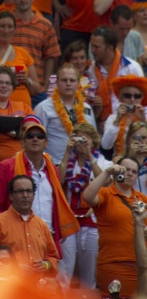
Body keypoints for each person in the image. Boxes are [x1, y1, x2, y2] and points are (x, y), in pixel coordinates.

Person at [0, 117, 80, 254]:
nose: (35, 139)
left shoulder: (52, 169)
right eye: (30, 136)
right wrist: (7, 230)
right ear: (22, 141)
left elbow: (56, 203)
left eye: (40, 136)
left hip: (48, 237)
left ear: (46, 143)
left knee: (48, 275)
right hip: (16, 240)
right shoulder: (6, 167)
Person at [57, 123, 112, 288]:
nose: (81, 142)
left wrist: (90, 156)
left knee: (89, 275)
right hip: (69, 221)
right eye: (78, 138)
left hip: (92, 221)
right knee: (64, 271)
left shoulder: (103, 162)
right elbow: (58, 181)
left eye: (85, 139)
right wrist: (67, 152)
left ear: (93, 141)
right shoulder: (68, 160)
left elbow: (105, 182)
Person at [83, 156, 147, 296]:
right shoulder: (106, 193)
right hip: (113, 264)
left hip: (141, 266)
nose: (130, 173)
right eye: (126, 169)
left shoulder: (142, 199)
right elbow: (87, 197)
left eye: (134, 171)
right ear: (117, 171)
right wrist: (106, 172)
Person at [0, 175, 60, 273]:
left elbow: (53, 258)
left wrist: (46, 265)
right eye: (20, 191)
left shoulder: (41, 225)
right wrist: (13, 267)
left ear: (33, 195)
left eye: (29, 191)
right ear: (11, 196)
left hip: (37, 285)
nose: (25, 195)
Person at [35, 64, 97, 165]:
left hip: (82, 166)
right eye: (64, 80)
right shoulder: (43, 107)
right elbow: (37, 138)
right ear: (57, 83)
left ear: (78, 83)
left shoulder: (87, 108)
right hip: (54, 164)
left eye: (72, 80)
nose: (68, 84)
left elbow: (94, 139)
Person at [11, 0, 61, 102]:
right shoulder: (6, 23)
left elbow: (51, 57)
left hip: (36, 90)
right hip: (10, 88)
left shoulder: (46, 25)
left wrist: (45, 86)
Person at [0, 67, 34, 162]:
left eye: (8, 83)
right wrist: (22, 121)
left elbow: (33, 127)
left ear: (13, 87)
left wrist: (13, 132)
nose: (4, 86)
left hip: (23, 163)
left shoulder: (22, 106)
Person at [101, 75, 147, 156]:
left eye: (137, 96)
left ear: (142, 98)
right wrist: (117, 121)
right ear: (120, 98)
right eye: (127, 96)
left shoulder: (145, 117)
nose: (132, 100)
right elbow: (106, 146)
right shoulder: (113, 118)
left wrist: (144, 121)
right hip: (120, 162)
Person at [121, 121, 147, 195]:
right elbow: (119, 182)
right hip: (130, 202)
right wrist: (130, 156)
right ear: (129, 140)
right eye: (136, 137)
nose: (141, 141)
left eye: (144, 137)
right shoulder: (120, 160)